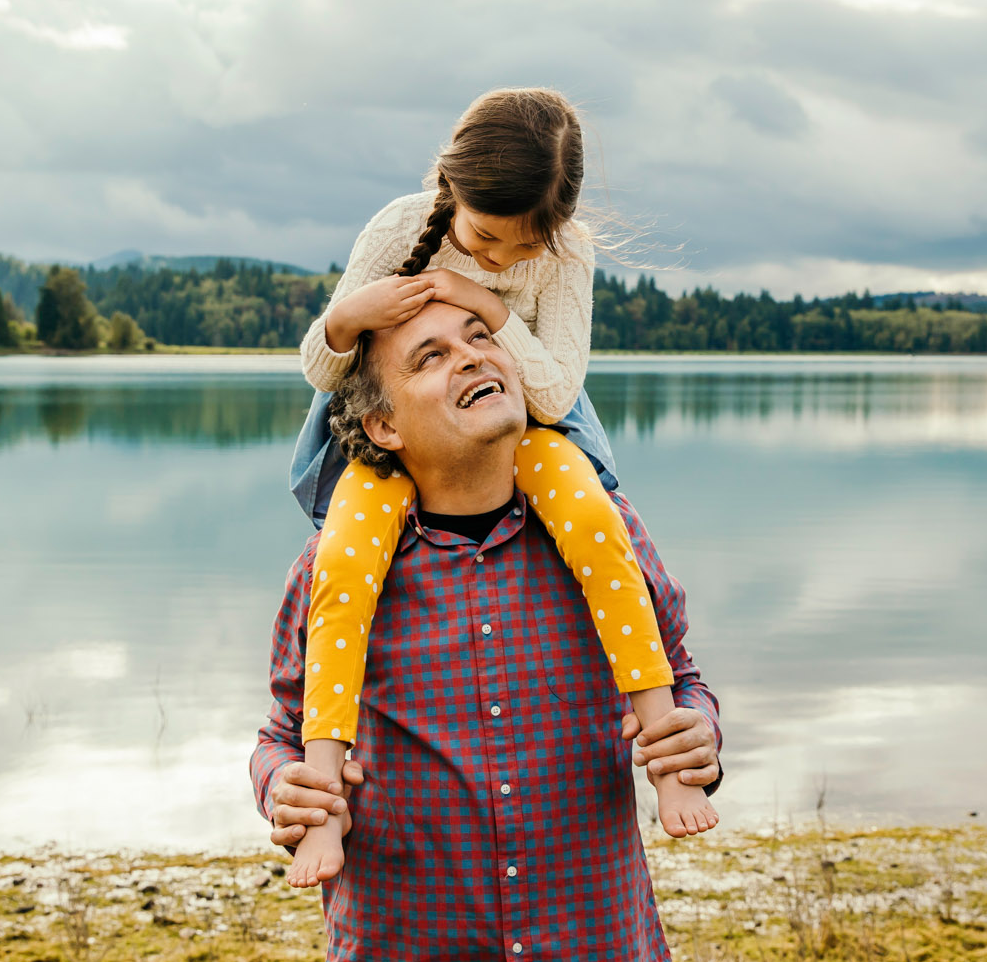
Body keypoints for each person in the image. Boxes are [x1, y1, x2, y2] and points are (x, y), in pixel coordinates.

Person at [251, 296, 724, 962]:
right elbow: (281, 734)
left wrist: (700, 734)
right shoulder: (329, 573)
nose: (472, 355)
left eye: (482, 337)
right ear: (384, 426)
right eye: (430, 356)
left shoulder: (612, 533)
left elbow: (684, 678)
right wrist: (282, 784)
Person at [286, 87, 715, 889]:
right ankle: (323, 795)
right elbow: (323, 364)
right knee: (343, 568)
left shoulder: (566, 255)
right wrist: (352, 318)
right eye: (485, 239)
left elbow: (554, 392)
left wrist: (487, 307)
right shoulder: (395, 228)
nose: (500, 260)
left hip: (532, 428)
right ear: (452, 187)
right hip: (387, 439)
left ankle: (666, 747)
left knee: (594, 523)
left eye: (522, 249)